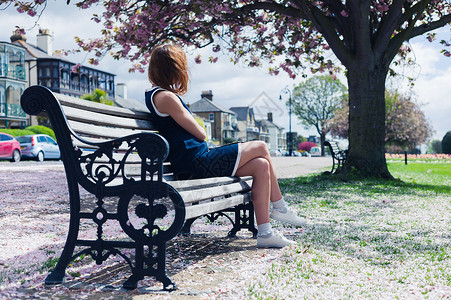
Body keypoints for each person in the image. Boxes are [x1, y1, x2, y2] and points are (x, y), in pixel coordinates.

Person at [146, 44, 305, 248]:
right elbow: (201, 133)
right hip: (196, 164)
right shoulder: (166, 97)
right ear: (174, 69)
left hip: (196, 161)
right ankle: (280, 207)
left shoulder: (160, 95)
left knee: (261, 166)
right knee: (261, 146)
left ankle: (265, 234)